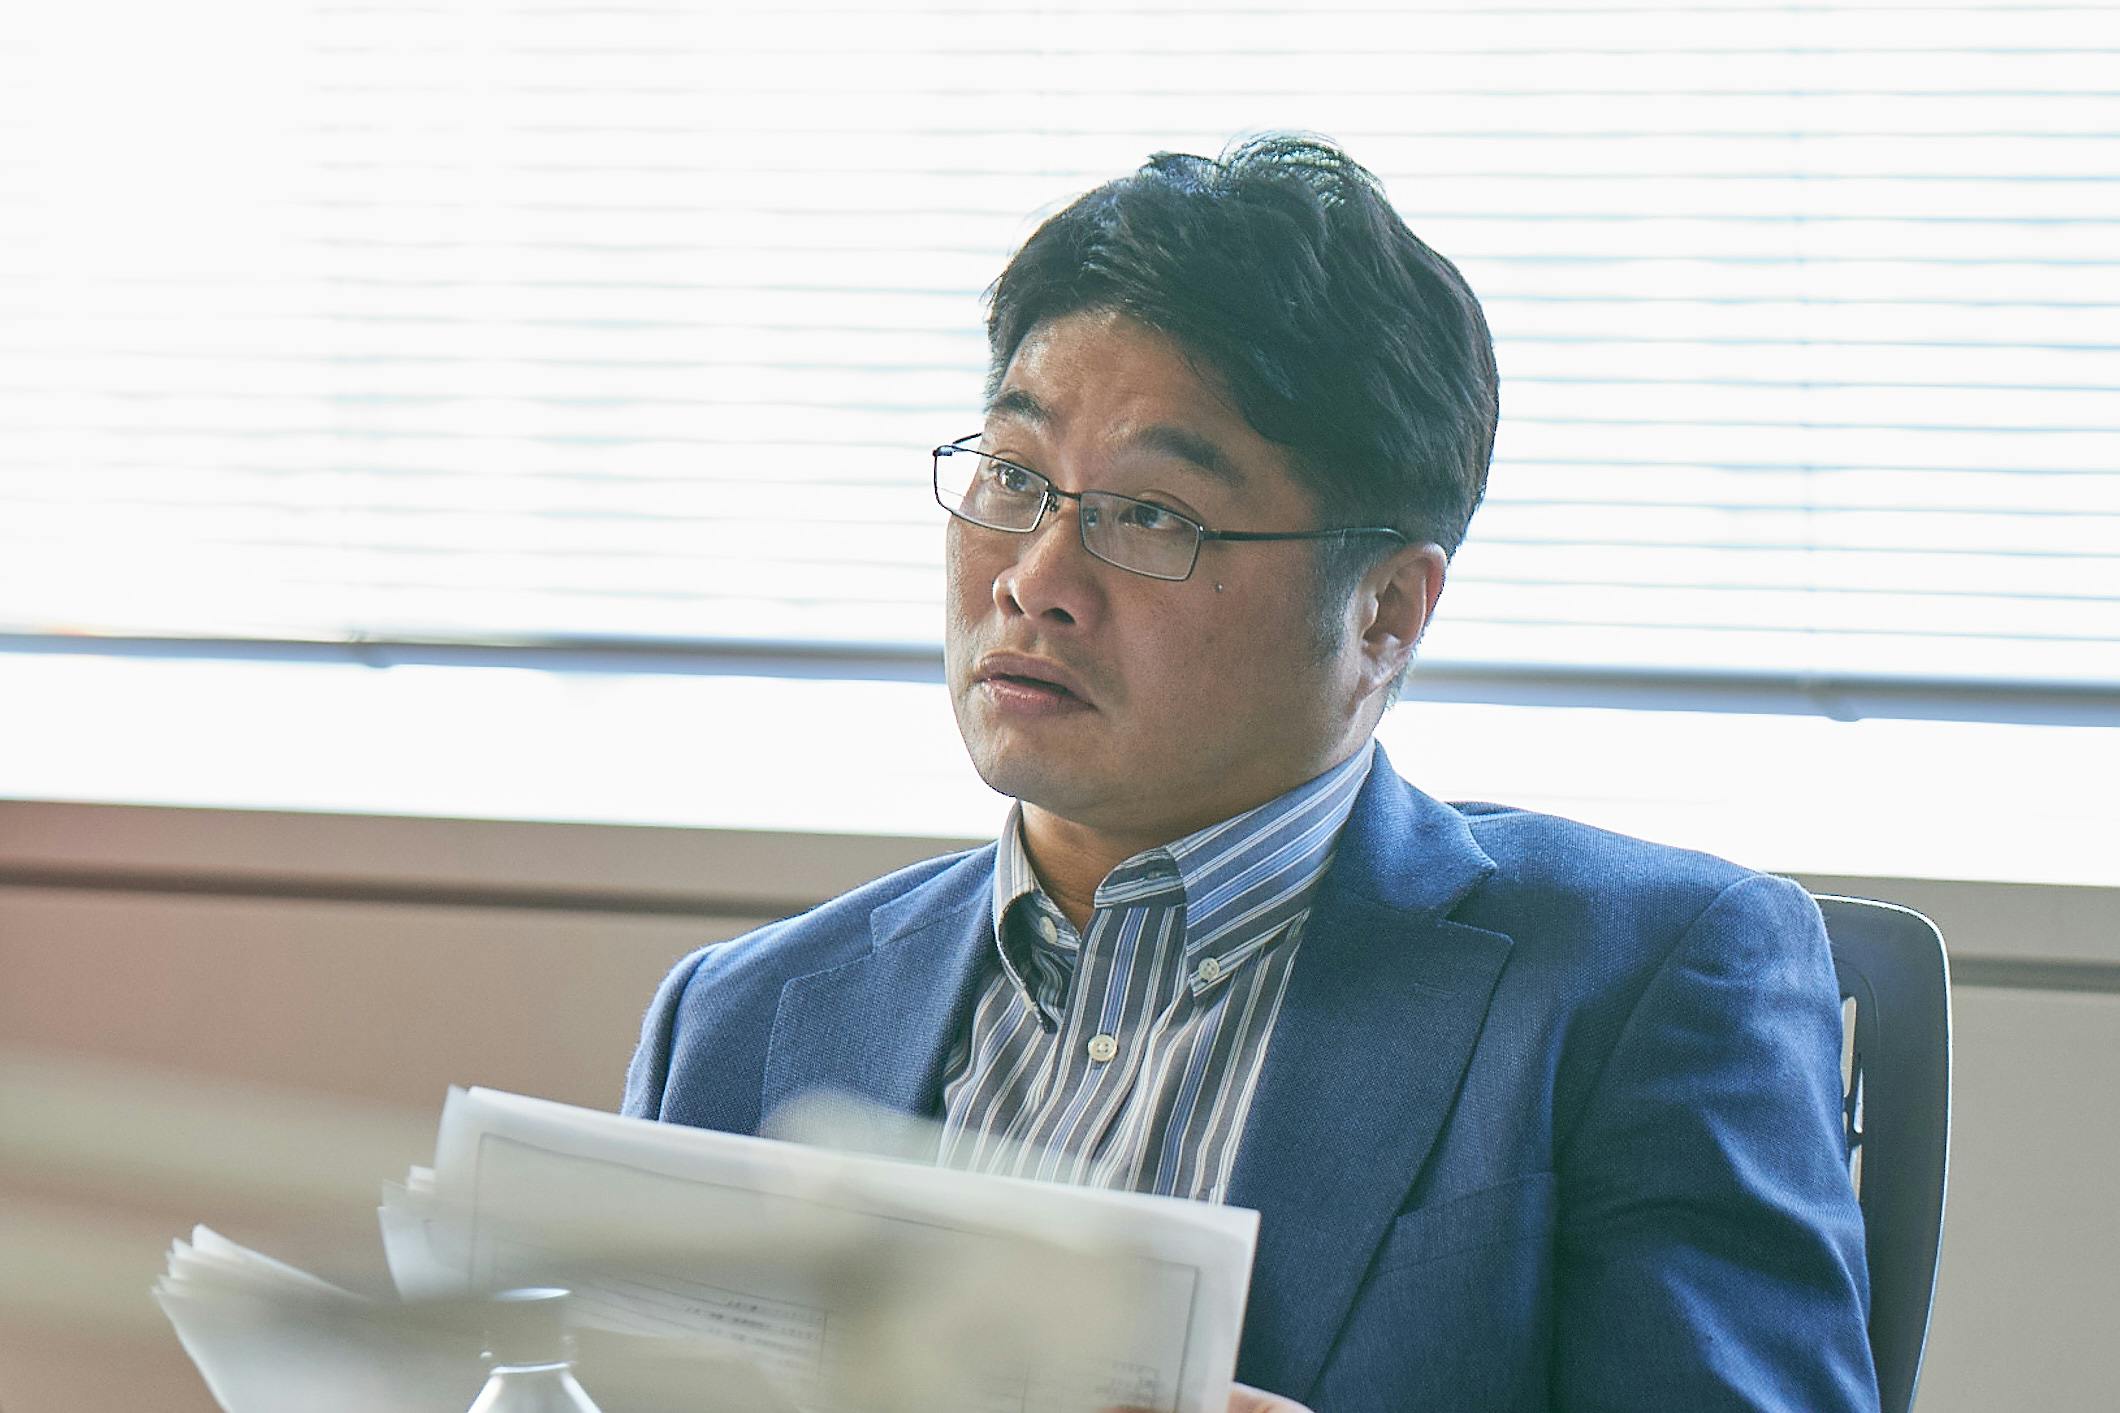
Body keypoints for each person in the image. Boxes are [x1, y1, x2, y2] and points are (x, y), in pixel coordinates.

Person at [623, 134, 1875, 1411]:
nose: (1035, 581)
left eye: (1150, 514)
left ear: (1383, 611)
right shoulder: (736, 1020)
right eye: (1011, 476)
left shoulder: (1641, 982)